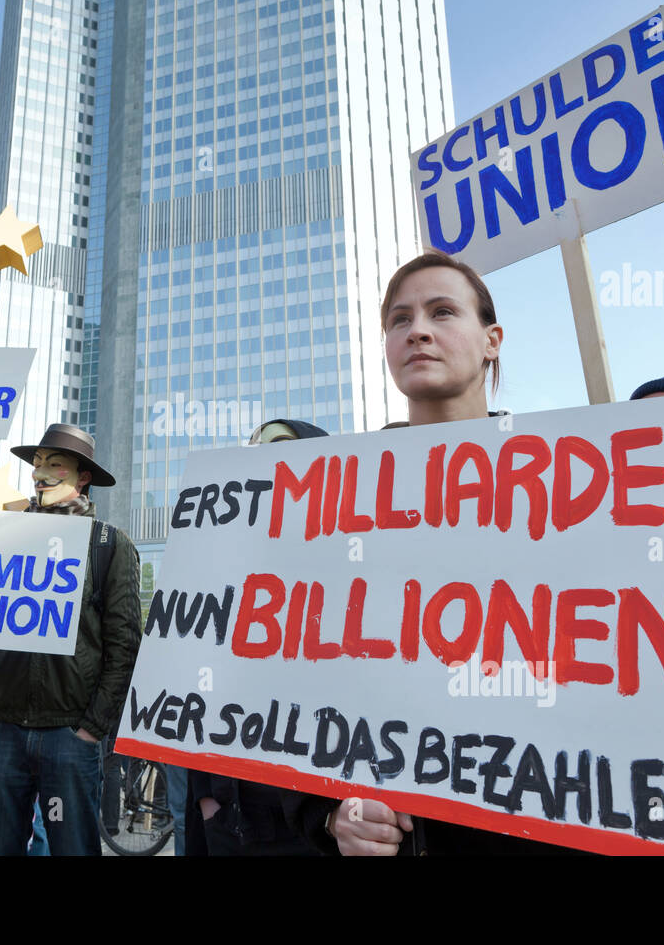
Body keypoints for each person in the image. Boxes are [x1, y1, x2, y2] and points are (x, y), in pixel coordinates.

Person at [282, 250, 572, 856]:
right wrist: (331, 812)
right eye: (399, 319)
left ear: (492, 340)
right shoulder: (335, 501)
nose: (417, 330)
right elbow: (297, 683)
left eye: (443, 312)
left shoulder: (564, 486)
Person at [0, 424, 142, 856]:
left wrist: (91, 730)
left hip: (69, 737)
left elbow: (125, 649)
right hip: (2, 732)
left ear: (82, 476)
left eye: (55, 464)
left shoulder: (109, 545)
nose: (40, 473)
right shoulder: (6, 535)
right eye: (36, 464)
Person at [185, 419, 329, 856]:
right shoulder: (220, 566)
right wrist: (208, 798)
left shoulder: (349, 568)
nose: (262, 458)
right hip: (234, 808)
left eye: (280, 448)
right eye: (254, 449)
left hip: (319, 814)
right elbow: (193, 680)